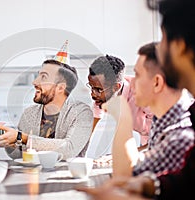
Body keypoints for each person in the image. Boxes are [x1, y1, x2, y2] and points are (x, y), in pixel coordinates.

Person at [77, 0, 195, 199]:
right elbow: (184, 180)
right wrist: (147, 185)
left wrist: (122, 115)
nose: (159, 49)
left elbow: (132, 169)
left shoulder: (180, 135)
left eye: (163, 39)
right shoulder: (168, 120)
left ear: (180, 47)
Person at [111, 42, 194, 177]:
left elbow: (125, 177)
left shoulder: (180, 137)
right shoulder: (160, 121)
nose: (131, 83)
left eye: (137, 75)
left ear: (157, 83)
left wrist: (124, 116)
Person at [0, 59, 93, 160]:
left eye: (43, 77)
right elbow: (18, 155)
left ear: (60, 88)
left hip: (66, 176)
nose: (34, 82)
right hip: (33, 176)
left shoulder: (81, 113)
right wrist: (8, 141)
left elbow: (69, 149)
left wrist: (22, 137)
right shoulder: (29, 113)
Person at [86, 55, 153, 160]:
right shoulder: (102, 96)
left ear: (116, 87)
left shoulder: (142, 92)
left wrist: (116, 157)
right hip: (146, 140)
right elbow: (91, 128)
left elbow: (159, 140)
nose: (93, 94)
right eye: (91, 87)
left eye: (98, 89)